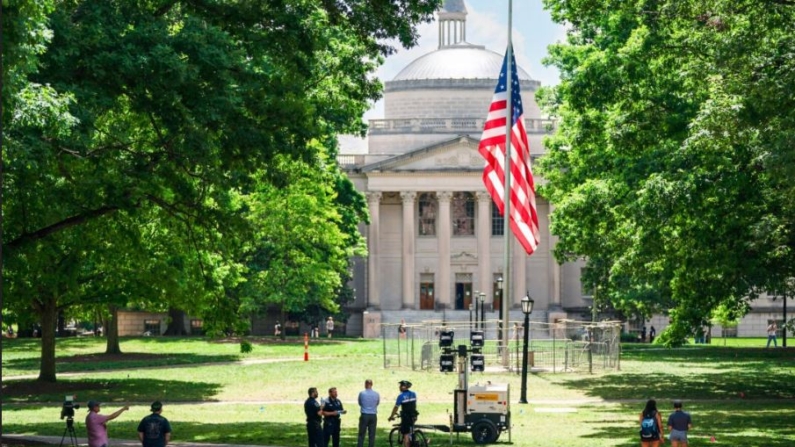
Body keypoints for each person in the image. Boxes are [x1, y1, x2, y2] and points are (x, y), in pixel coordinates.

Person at [388, 380, 418, 447]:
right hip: (414, 415)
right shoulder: (414, 394)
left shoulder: (401, 396)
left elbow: (396, 407)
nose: (399, 387)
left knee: (406, 434)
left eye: (400, 386)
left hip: (406, 416)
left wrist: (391, 416)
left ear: (404, 387)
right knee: (411, 430)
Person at [357, 379, 380, 447]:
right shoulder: (376, 394)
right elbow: (377, 403)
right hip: (373, 415)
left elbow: (360, 403)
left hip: (364, 414)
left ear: (365, 384)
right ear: (371, 384)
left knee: (361, 433)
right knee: (372, 434)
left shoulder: (362, 393)